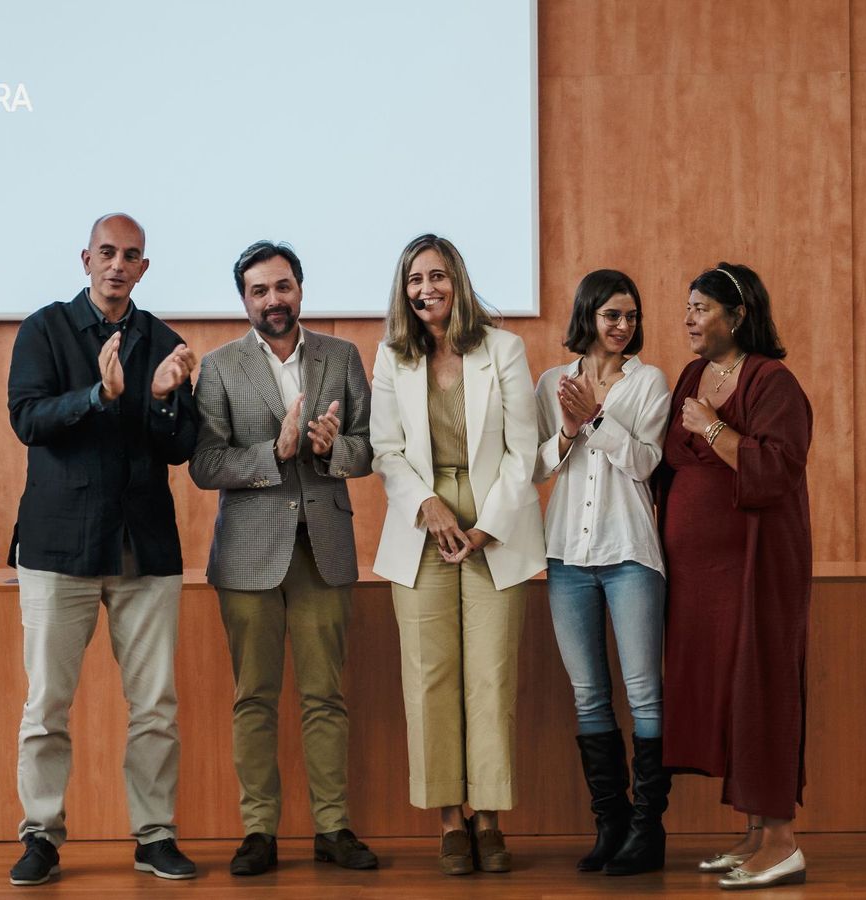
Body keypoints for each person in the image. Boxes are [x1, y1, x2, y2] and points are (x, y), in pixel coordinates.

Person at [4, 213, 199, 885]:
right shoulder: (44, 330)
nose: (118, 264)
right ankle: (41, 836)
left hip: (145, 548)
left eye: (131, 255)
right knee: (46, 707)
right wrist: (98, 395)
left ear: (144, 268)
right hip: (59, 547)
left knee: (156, 707)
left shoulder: (164, 342)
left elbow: (182, 447)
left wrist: (164, 398)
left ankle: (154, 835)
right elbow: (28, 419)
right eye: (107, 252)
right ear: (85, 259)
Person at [188, 240, 379, 875]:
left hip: (323, 550)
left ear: (300, 289)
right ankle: (258, 832)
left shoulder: (341, 356)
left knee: (326, 695)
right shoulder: (219, 367)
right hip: (247, 557)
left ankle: (333, 828)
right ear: (244, 300)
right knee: (254, 697)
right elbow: (205, 464)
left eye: (283, 286)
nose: (274, 299)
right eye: (260, 290)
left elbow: (369, 447)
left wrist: (330, 449)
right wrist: (275, 452)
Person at [370, 233, 544, 876]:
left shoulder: (504, 348)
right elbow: (385, 451)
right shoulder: (392, 356)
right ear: (404, 290)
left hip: (496, 520)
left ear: (458, 282)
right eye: (415, 280)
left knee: (491, 675)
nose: (427, 289)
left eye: (437, 276)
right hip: (421, 523)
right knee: (429, 676)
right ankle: (450, 820)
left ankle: (489, 819)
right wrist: (429, 507)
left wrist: (488, 525)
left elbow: (524, 452)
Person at [657, 262, 812, 890]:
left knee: (761, 688)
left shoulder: (774, 382)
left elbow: (778, 468)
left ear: (739, 314)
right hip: (699, 578)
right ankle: (754, 835)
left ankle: (782, 842)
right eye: (688, 307)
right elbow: (670, 460)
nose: (689, 319)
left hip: (755, 567)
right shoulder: (692, 375)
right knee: (728, 694)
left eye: (701, 308)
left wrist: (714, 427)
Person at [533, 269, 672, 875]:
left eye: (631, 316)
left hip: (631, 554)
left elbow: (645, 463)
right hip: (567, 555)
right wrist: (567, 431)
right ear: (588, 315)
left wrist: (594, 419)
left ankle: (647, 830)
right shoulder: (551, 382)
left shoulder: (649, 382)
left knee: (644, 694)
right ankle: (610, 825)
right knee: (588, 694)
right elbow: (536, 467)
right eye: (612, 315)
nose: (622, 326)